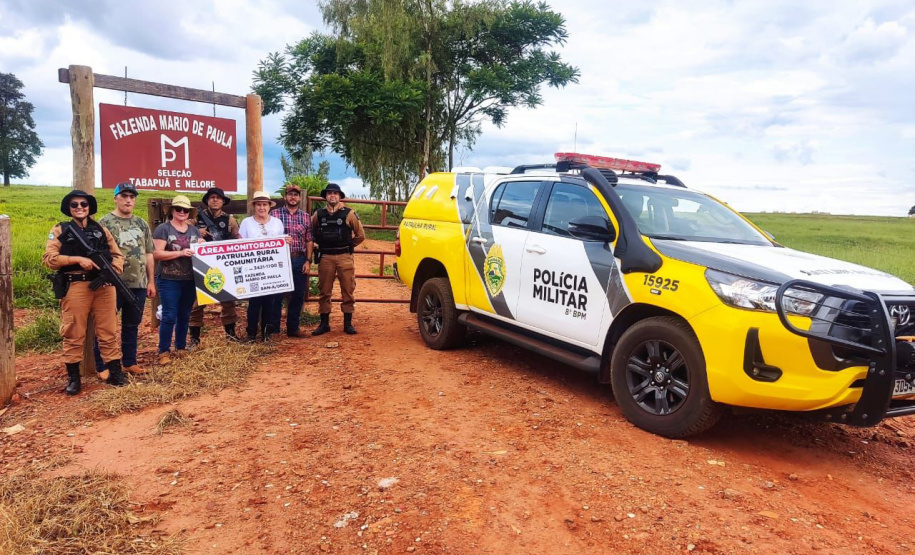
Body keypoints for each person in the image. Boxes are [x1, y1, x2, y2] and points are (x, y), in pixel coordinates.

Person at [43, 190, 128, 394]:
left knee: (108, 330)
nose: (80, 207)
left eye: (84, 204)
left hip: (104, 286)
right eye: (75, 204)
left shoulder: (100, 229)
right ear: (69, 208)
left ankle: (115, 372)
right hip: (76, 285)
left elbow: (117, 255)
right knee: (74, 331)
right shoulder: (60, 230)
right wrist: (76, 260)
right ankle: (74, 378)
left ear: (89, 206)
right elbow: (49, 258)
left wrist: (114, 270)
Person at [91, 183, 156, 376]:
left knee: (131, 324)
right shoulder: (104, 223)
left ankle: (129, 361)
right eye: (124, 196)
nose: (128, 200)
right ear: (116, 198)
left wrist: (151, 281)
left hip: (138, 284)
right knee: (106, 326)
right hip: (111, 285)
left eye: (132, 196)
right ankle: (102, 365)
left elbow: (149, 254)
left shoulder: (141, 223)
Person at [153, 195, 203, 365]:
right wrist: (181, 253)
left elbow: (200, 251)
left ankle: (180, 347)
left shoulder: (194, 230)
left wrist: (203, 245)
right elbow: (157, 254)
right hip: (169, 278)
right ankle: (164, 350)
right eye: (179, 209)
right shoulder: (163, 229)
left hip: (190, 278)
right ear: (172, 211)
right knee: (169, 315)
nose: (182, 212)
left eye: (185, 210)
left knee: (185, 314)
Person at [311, 183, 365, 335]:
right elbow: (311, 231)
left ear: (340, 196)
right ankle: (324, 324)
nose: (332, 196)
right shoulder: (319, 214)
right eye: (329, 193)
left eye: (335, 193)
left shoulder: (349, 214)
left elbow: (361, 235)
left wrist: (348, 246)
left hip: (344, 257)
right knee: (324, 291)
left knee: (348, 290)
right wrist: (316, 243)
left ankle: (348, 324)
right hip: (326, 257)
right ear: (326, 196)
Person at [189, 187, 241, 343]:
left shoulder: (230, 220)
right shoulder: (195, 218)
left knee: (228, 301)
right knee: (197, 303)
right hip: (201, 266)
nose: (215, 200)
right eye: (212, 197)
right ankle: (194, 339)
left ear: (223, 201)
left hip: (223, 265)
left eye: (218, 198)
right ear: (207, 200)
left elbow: (237, 239)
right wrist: (198, 233)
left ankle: (231, 335)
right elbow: (182, 235)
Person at [239, 191, 285, 341]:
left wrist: (286, 241)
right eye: (259, 204)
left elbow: (280, 244)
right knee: (254, 302)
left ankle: (267, 332)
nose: (262, 207)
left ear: (269, 207)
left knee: (270, 301)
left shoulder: (277, 223)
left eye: (264, 204)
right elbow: (240, 243)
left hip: (271, 269)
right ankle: (251, 333)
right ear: (254, 206)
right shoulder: (246, 223)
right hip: (253, 269)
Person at [269, 184, 314, 338]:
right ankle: (274, 329)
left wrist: (308, 260)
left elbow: (309, 240)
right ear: (285, 197)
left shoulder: (306, 217)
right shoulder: (274, 215)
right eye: (290, 194)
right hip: (278, 260)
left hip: (298, 258)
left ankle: (293, 328)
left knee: (298, 294)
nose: (293, 197)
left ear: (299, 198)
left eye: (296, 195)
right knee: (277, 294)